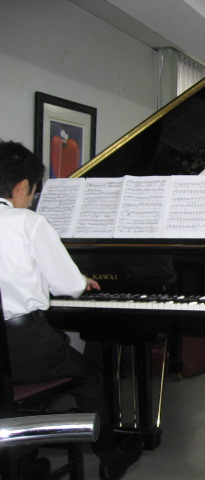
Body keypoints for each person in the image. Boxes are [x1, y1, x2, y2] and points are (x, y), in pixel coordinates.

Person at [0, 140, 143, 480]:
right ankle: (109, 456)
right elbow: (68, 284)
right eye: (33, 193)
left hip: (6, 352)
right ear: (22, 186)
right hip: (23, 347)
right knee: (90, 375)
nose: (31, 200)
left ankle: (24, 460)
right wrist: (82, 281)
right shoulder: (26, 222)